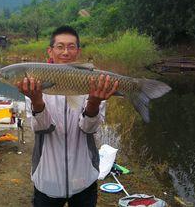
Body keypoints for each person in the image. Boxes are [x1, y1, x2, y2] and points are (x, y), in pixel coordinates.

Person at [16, 25, 118, 207]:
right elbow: (40, 129)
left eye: (71, 47)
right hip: (47, 180)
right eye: (60, 46)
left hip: (84, 179)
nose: (65, 52)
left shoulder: (93, 82)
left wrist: (93, 102)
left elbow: (89, 128)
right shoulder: (34, 84)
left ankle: (136, 88)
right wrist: (37, 101)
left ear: (78, 51)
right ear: (50, 51)